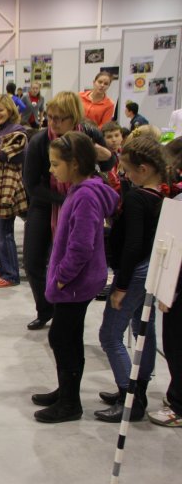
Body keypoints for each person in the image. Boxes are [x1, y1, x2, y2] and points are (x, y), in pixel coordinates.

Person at [31, 131, 119, 423]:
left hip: (74, 283)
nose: (51, 169)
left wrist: (61, 278)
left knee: (63, 338)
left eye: (56, 164)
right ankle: (66, 390)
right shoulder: (81, 189)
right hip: (73, 282)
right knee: (67, 337)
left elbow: (81, 246)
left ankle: (70, 404)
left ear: (76, 164)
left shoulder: (85, 196)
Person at [22, 91, 116, 330]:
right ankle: (46, 309)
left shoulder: (88, 135)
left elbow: (107, 162)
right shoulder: (39, 142)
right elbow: (32, 184)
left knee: (74, 254)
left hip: (81, 203)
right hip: (47, 203)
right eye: (50, 117)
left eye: (60, 118)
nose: (53, 122)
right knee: (33, 261)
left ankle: (66, 306)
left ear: (73, 117)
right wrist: (65, 199)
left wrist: (107, 157)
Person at [95, 136, 167, 422]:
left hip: (134, 271)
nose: (124, 174)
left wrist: (120, 285)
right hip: (149, 268)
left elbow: (133, 245)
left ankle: (130, 396)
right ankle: (138, 386)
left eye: (127, 169)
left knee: (110, 335)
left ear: (145, 169)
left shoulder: (137, 198)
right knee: (142, 329)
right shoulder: (160, 195)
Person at [149, 137, 182, 427]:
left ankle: (179, 405)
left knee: (175, 344)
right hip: (175, 285)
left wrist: (169, 289)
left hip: (178, 287)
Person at [0, 94, 29, 288]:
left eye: (0, 110)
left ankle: (11, 274)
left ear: (10, 110)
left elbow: (15, 156)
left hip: (8, 183)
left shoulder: (18, 131)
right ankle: (4, 266)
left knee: (5, 231)